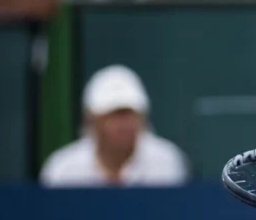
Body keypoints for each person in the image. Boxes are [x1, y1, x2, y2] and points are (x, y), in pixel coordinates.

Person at [41, 64, 188, 187]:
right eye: (112, 115)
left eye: (129, 114)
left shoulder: (167, 162)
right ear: (92, 120)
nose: (122, 125)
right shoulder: (62, 169)